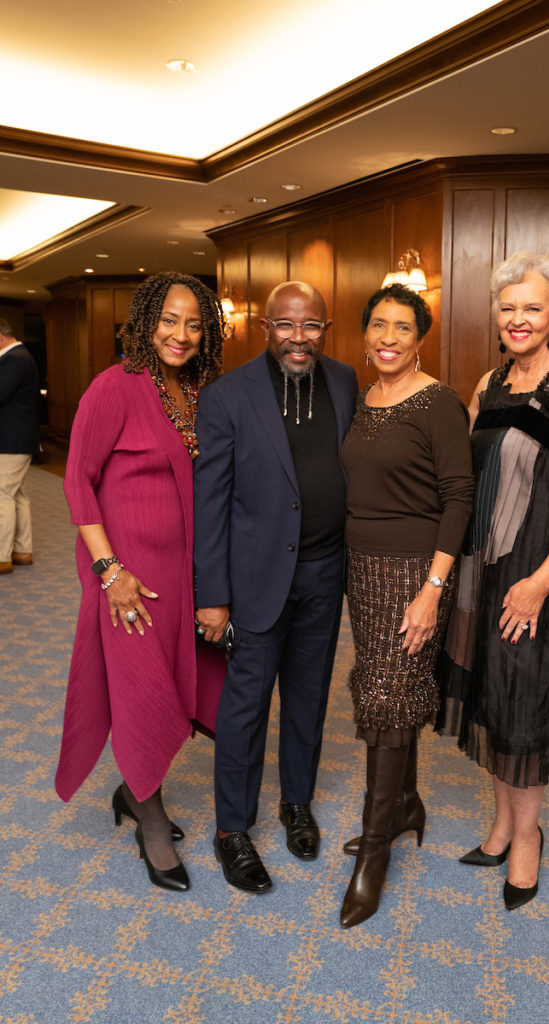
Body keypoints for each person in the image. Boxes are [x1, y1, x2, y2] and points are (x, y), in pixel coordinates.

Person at [436, 251, 549, 911]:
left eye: (531, 308)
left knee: (528, 704)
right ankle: (504, 823)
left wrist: (537, 583)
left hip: (542, 576)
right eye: (508, 307)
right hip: (487, 570)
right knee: (495, 696)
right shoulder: (489, 383)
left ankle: (527, 837)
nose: (517, 318)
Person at [56, 272, 227, 892]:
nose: (180, 334)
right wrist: (109, 572)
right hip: (126, 576)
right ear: (146, 320)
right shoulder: (114, 386)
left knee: (185, 682)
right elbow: (78, 481)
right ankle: (150, 821)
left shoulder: (198, 391)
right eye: (169, 320)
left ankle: (133, 790)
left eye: (193, 324)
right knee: (139, 691)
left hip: (182, 574)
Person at [193, 281, 358, 895]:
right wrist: (211, 594)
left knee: (310, 698)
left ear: (325, 328)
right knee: (245, 709)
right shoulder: (227, 396)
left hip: (324, 572)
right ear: (265, 327)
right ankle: (232, 831)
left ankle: (297, 805)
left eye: (311, 326)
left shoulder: (343, 381)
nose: (299, 337)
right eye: (287, 325)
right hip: (255, 580)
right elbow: (209, 505)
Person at [338, 283, 473, 928]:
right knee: (386, 683)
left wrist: (432, 589)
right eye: (378, 326)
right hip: (360, 570)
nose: (387, 338)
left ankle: (373, 854)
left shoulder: (439, 402)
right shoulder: (362, 401)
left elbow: (459, 499)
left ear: (420, 340)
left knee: (389, 694)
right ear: (365, 334)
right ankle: (407, 804)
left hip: (416, 573)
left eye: (402, 328)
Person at [0, 317, 40, 575]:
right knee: (18, 495)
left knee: (2, 494)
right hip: (18, 439)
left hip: (10, 440)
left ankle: (2, 556)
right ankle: (22, 551)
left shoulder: (14, 359)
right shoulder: (22, 356)